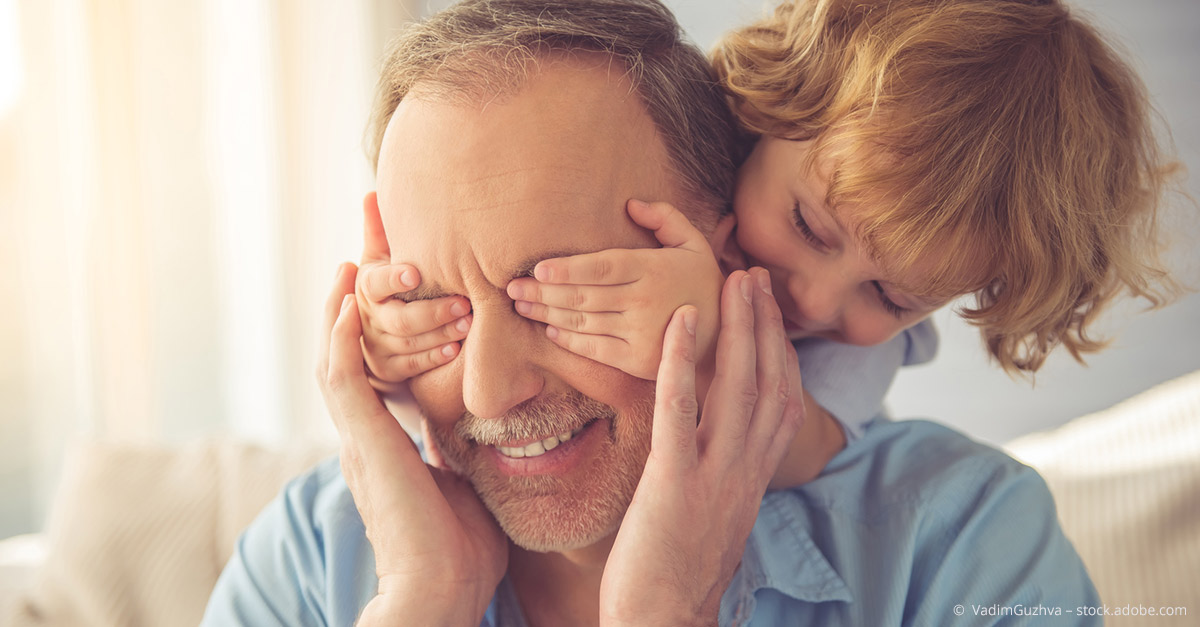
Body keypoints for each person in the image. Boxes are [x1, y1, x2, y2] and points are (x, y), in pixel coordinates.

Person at [202, 1, 1099, 624]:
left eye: (555, 291)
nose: (490, 387)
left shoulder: (968, 546)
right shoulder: (306, 563)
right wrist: (420, 600)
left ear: (712, 253)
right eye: (436, 298)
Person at [358, 0, 1179, 490]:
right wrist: (406, 332)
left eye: (891, 298)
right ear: (768, 109)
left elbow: (800, 451)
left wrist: (712, 352)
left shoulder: (856, 370)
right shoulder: (666, 145)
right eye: (810, 227)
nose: (813, 301)